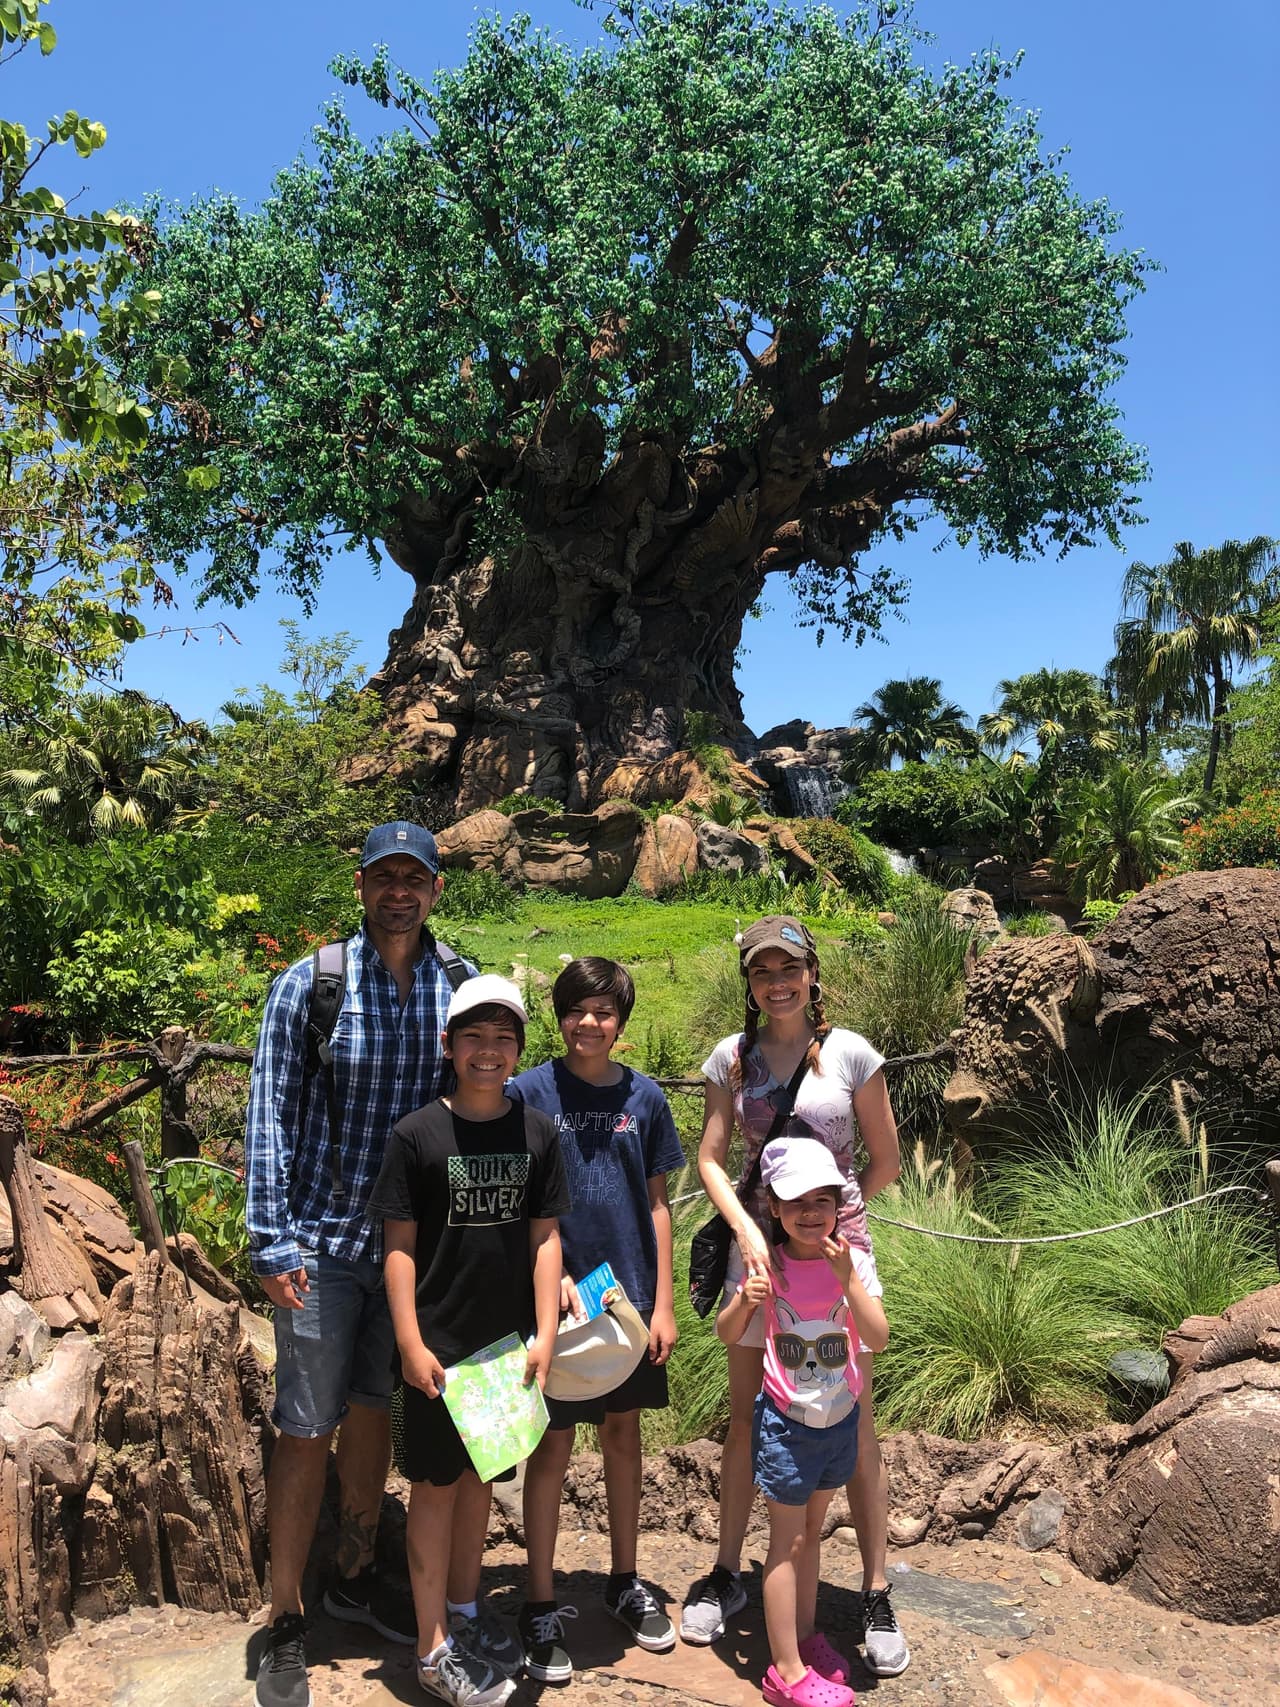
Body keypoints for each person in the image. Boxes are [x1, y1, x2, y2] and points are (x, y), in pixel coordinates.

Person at [246, 821, 474, 1707]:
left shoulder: (457, 985)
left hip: (408, 1252)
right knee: (306, 1423)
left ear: (436, 888)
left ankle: (351, 1569)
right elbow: (270, 1113)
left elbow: (475, 1110)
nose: (399, 892)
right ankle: (287, 1617)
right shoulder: (312, 985)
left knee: (377, 1412)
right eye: (385, 876)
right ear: (361, 884)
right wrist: (271, 1239)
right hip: (318, 1244)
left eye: (414, 877)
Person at [680, 916, 909, 1678]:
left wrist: (835, 1226)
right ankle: (727, 1569)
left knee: (855, 1418)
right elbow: (713, 1157)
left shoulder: (850, 1053)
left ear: (812, 971)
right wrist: (754, 1229)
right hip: (761, 1261)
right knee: (752, 1415)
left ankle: (875, 1589)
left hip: (838, 1264)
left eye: (789, 968)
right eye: (761, 971)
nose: (776, 982)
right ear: (749, 981)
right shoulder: (732, 1058)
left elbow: (886, 1158)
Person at [367, 975, 570, 1707]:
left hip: (504, 1352)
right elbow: (398, 1245)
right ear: (448, 1045)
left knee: (483, 1480)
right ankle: (429, 1649)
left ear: (519, 1048)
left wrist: (544, 1335)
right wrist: (410, 1341)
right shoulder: (417, 1135)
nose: (489, 1051)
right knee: (434, 1489)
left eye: (504, 1037)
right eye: (474, 1037)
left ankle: (464, 1610)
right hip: (438, 1356)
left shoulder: (537, 1131)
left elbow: (547, 1239)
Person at [509, 957, 685, 1683]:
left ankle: (624, 1576)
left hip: (628, 1301)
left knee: (623, 1435)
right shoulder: (528, 1091)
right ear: (559, 1014)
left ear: (622, 1021)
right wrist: (543, 1287)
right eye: (578, 1008)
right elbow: (516, 1201)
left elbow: (657, 1202)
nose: (591, 1022)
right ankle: (539, 1598)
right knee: (548, 1445)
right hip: (552, 1301)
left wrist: (664, 1301)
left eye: (605, 1011)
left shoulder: (644, 1098)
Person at [718, 1137, 889, 1707]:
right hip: (788, 1429)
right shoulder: (767, 1264)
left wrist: (848, 1281)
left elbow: (879, 1337)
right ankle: (785, 1670)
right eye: (797, 1202)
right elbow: (726, 1332)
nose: (811, 1213)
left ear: (840, 1204)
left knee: (810, 1536)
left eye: (824, 1199)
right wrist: (747, 1300)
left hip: (838, 1421)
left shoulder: (853, 1260)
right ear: (772, 1206)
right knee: (786, 1543)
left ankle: (807, 1638)